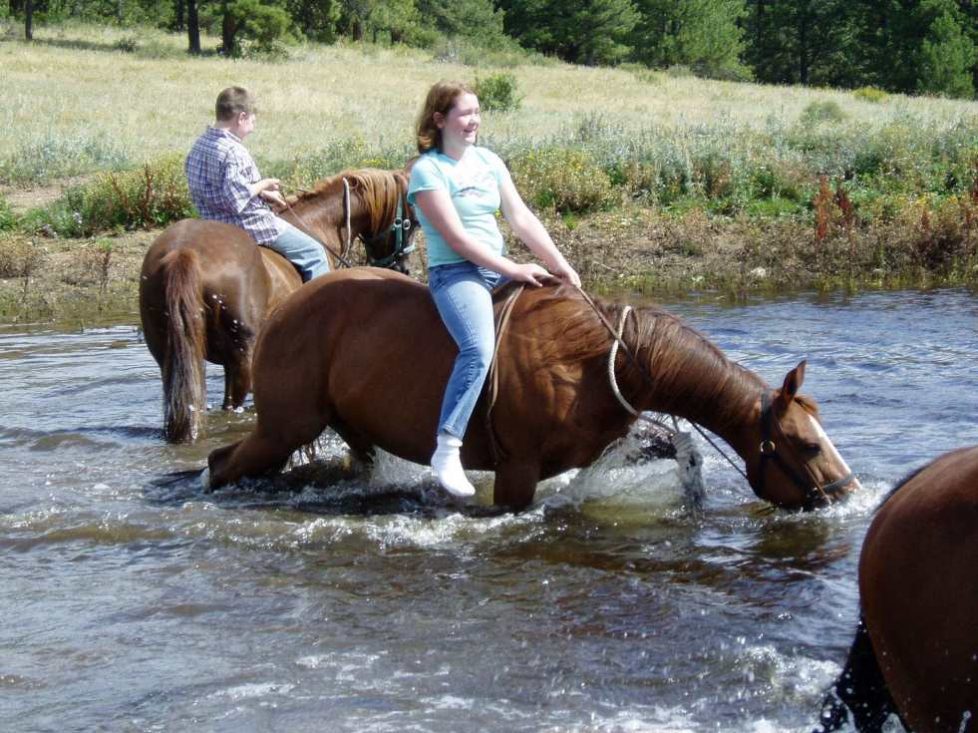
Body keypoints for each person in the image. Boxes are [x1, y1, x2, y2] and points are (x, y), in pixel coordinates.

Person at [407, 80, 581, 499]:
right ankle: (448, 446)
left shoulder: (488, 161)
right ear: (440, 119)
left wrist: (562, 267)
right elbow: (457, 240)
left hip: (499, 269)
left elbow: (521, 219)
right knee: (478, 348)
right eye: (465, 113)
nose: (474, 121)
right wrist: (514, 268)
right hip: (458, 274)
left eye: (477, 112)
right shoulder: (427, 170)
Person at [185, 86, 329, 282]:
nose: (252, 128)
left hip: (211, 221)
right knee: (315, 252)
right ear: (241, 117)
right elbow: (236, 200)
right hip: (248, 225)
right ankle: (318, 309)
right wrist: (264, 184)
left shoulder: (200, 144)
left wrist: (263, 194)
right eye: (252, 121)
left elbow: (217, 188)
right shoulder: (234, 151)